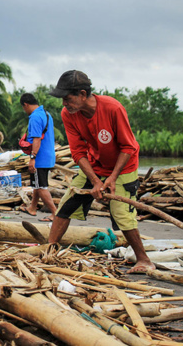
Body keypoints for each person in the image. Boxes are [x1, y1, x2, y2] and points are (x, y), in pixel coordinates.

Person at [48, 70, 154, 273]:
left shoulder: (112, 108)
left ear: (82, 94)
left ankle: (143, 260)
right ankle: (49, 250)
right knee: (67, 204)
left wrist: (112, 178)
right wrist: (96, 181)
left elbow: (128, 147)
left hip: (123, 167)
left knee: (122, 213)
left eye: (67, 99)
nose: (64, 104)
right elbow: (78, 152)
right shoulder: (68, 114)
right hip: (95, 166)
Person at [19, 93, 57, 221]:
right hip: (48, 155)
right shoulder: (46, 114)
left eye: (24, 108)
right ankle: (32, 208)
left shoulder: (34, 117)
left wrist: (32, 158)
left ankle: (55, 214)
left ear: (26, 105)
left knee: (41, 187)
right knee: (37, 184)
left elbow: (36, 139)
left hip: (40, 157)